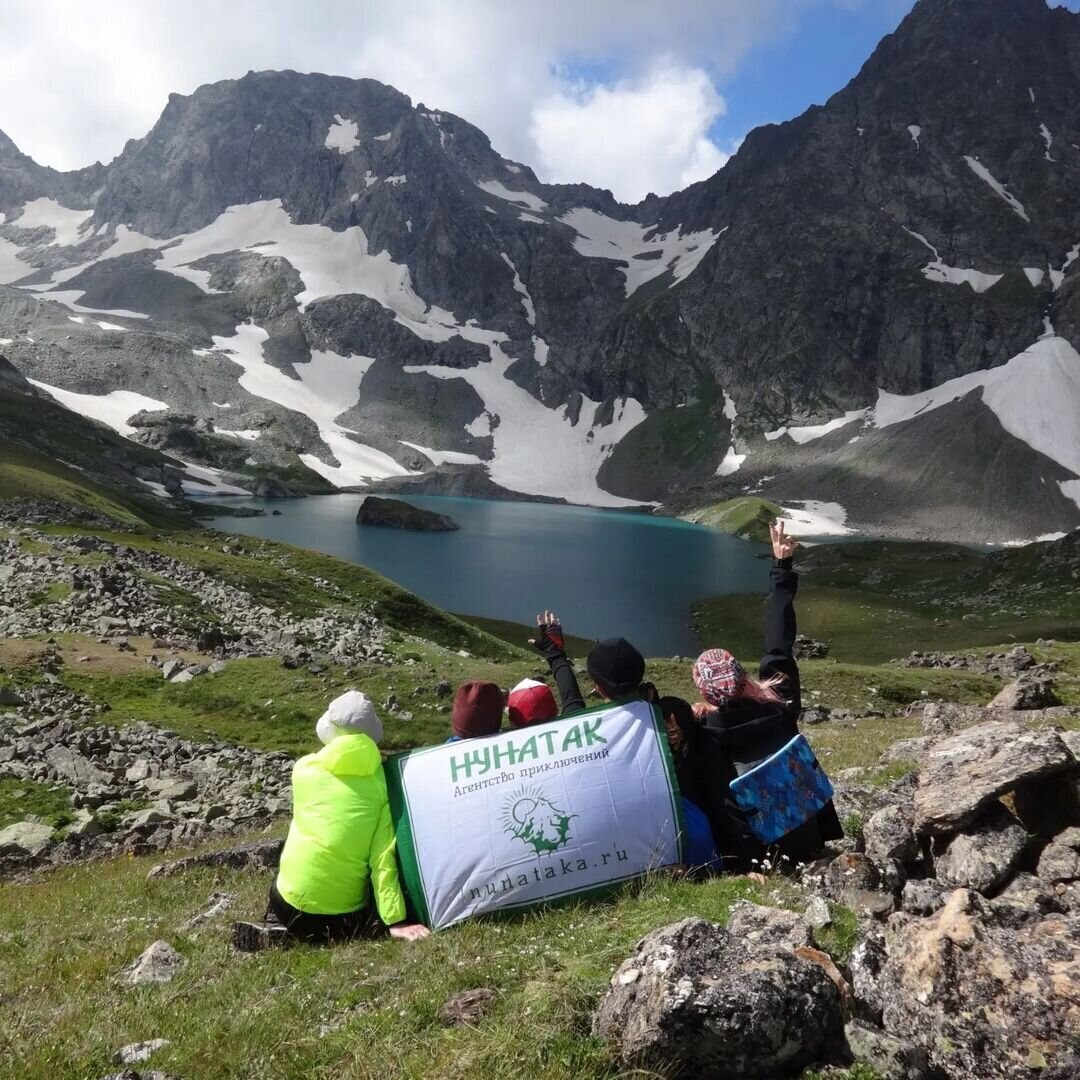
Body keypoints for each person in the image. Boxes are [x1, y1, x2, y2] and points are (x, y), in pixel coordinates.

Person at [690, 521, 843, 870]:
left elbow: (720, 806)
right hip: (811, 833)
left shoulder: (705, 736)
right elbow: (779, 640)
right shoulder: (780, 703)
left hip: (762, 854)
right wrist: (781, 567)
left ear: (703, 690)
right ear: (743, 675)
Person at [232, 690, 430, 949]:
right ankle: (346, 927)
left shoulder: (303, 770)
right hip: (340, 923)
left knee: (300, 840)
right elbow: (382, 861)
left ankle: (275, 922)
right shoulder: (382, 786)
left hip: (288, 904)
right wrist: (396, 921)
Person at [530, 613, 718, 871]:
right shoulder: (676, 710)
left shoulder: (588, 730)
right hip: (698, 834)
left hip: (638, 845)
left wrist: (555, 654)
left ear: (598, 687)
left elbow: (571, 698)